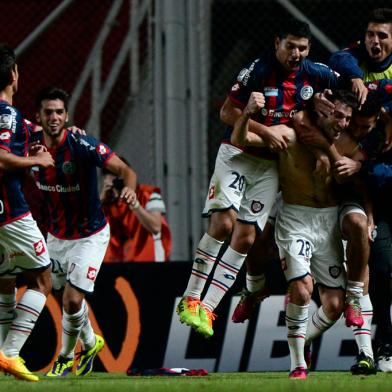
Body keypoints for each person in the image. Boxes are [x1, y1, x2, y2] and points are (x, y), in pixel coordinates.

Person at [177, 18, 339, 338]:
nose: (296, 53)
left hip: (269, 167)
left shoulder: (316, 74)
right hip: (237, 155)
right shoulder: (257, 70)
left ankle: (209, 308)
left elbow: (346, 81)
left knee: (247, 238)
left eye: (302, 48)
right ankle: (190, 298)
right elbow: (226, 113)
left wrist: (355, 85)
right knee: (223, 224)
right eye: (290, 46)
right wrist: (263, 128)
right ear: (277, 42)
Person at [233, 89, 359, 379]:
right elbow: (241, 139)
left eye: (347, 118)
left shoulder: (348, 144)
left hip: (328, 222)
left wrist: (341, 157)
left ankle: (305, 340)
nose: (341, 123)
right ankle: (297, 363)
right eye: (337, 114)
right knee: (301, 290)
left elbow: (351, 174)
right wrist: (249, 114)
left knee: (334, 306)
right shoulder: (290, 135)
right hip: (295, 219)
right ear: (323, 109)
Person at [30, 86, 137, 377]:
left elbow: (126, 171)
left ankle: (66, 356)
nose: (54, 117)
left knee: (72, 299)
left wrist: (128, 187)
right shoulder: (29, 144)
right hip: (56, 236)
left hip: (90, 235)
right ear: (38, 116)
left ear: (66, 116)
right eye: (48, 112)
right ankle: (90, 342)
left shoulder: (82, 145)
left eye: (59, 112)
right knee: (61, 296)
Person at [0, 44, 55, 382]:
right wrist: (36, 160)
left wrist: (27, 145)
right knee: (42, 279)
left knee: (4, 280)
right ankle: (9, 353)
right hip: (10, 211)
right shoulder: (7, 114)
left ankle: (4, 357)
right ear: (13, 75)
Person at [101, 166, 172, 262]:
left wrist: (135, 205)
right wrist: (101, 201)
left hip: (149, 261)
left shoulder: (148, 194)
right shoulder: (108, 203)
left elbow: (156, 227)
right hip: (118, 263)